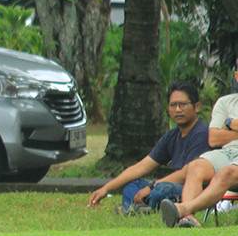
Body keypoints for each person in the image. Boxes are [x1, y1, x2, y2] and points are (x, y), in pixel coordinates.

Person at [87, 82, 208, 213]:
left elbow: (187, 173)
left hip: (193, 190)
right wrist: (106, 188)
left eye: (182, 105)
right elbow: (143, 166)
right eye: (173, 105)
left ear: (196, 107)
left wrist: (151, 187)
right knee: (131, 187)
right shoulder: (172, 136)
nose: (177, 110)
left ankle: (142, 209)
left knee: (161, 191)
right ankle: (146, 209)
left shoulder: (202, 134)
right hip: (168, 186)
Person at [160, 92, 238, 228]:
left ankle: (183, 209)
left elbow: (219, 135)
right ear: (237, 76)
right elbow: (213, 139)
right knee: (196, 166)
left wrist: (228, 124)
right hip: (226, 152)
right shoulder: (224, 102)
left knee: (227, 173)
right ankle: (188, 220)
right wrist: (231, 123)